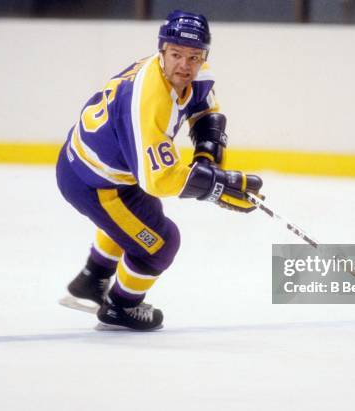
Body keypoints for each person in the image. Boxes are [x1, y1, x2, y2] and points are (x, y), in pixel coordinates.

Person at [56, 10, 263, 331]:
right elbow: (159, 179)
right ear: (162, 50)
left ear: (203, 55)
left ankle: (91, 279)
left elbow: (206, 108)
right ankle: (120, 307)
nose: (185, 65)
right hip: (94, 181)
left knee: (142, 219)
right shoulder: (150, 100)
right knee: (161, 242)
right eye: (176, 55)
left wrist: (207, 160)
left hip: (106, 167)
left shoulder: (187, 70)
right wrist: (217, 186)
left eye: (194, 56)